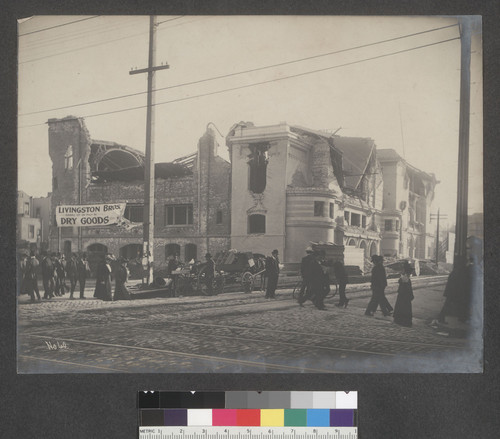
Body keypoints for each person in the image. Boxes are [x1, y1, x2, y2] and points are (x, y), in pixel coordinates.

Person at [393, 261, 414, 327]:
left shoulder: (403, 276)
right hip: (405, 295)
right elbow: (408, 288)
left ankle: (399, 319)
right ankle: (405, 320)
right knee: (405, 307)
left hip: (402, 294)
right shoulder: (406, 277)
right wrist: (411, 295)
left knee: (400, 306)